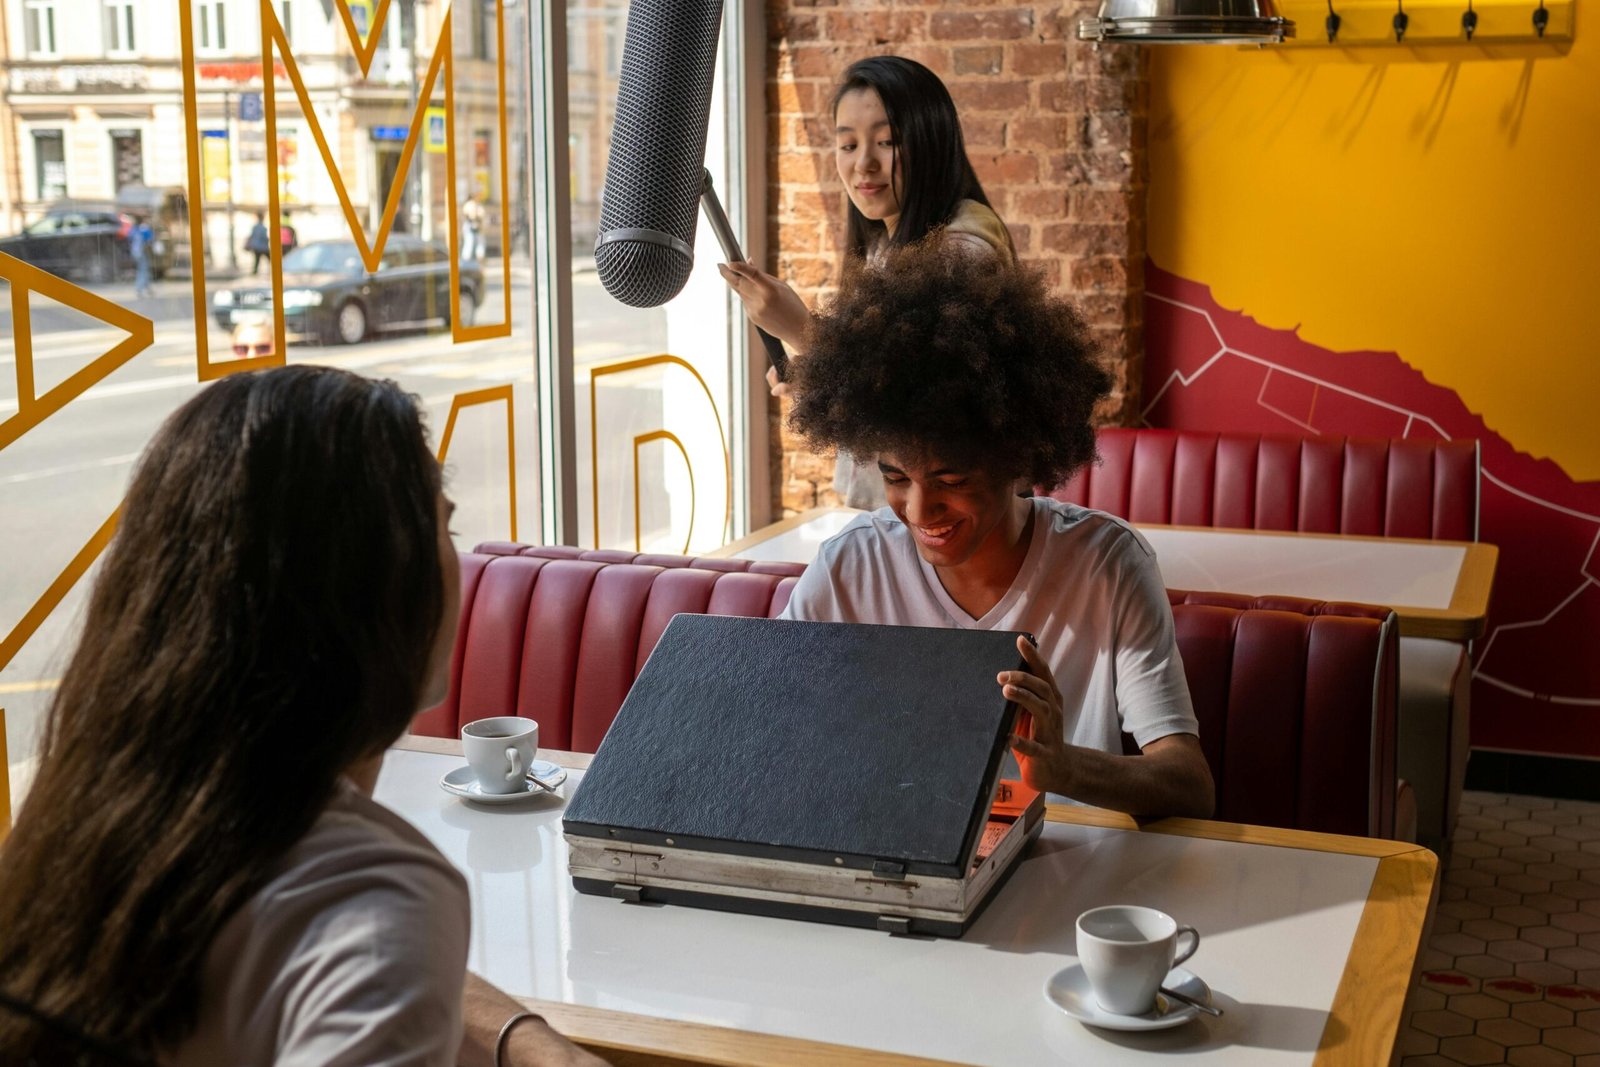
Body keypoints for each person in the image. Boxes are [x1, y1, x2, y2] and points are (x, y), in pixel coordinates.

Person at [0, 366, 605, 1067]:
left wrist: (524, 1041)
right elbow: (361, 935)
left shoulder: (88, 824)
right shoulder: (377, 891)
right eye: (444, 525)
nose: (459, 562)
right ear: (376, 586)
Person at [778, 242, 1216, 821]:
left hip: (1063, 874)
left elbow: (1190, 786)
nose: (918, 508)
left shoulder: (1107, 565)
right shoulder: (849, 568)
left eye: (951, 479)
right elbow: (772, 730)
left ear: (1018, 459)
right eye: (895, 477)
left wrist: (1064, 767)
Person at [719, 55, 1016, 508]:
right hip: (897, 519)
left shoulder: (963, 251)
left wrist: (802, 331)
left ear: (931, 141)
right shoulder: (885, 243)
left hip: (947, 525)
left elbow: (931, 407)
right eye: (848, 145)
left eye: (887, 141)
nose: (864, 165)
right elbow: (879, 386)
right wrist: (819, 374)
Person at [128, 214, 154, 298]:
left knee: (144, 269)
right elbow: (150, 241)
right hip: (141, 252)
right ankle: (139, 289)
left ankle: (148, 288)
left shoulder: (133, 230)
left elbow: (129, 239)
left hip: (134, 252)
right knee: (143, 270)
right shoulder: (145, 230)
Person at [461, 192, 485, 262]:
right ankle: (467, 260)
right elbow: (470, 214)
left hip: (476, 225)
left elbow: (481, 214)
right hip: (470, 224)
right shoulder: (470, 204)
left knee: (479, 243)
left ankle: (478, 257)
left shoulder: (478, 205)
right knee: (470, 242)